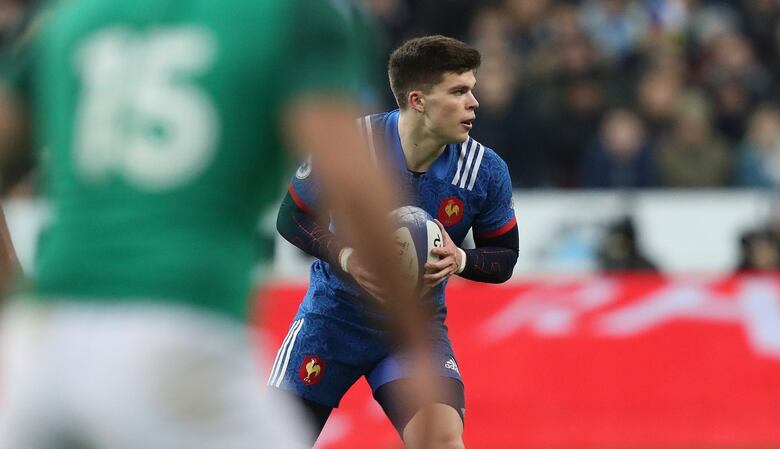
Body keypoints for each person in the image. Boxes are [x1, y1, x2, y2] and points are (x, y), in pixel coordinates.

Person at [0, 0, 432, 448]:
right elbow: (351, 184)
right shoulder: (292, 15)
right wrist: (413, 340)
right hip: (177, 334)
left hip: (42, 349)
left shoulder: (73, 14)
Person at [271, 35, 519, 449]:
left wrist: (461, 260)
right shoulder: (350, 146)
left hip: (413, 328)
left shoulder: (484, 170)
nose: (474, 102)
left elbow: (505, 257)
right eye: (458, 91)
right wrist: (347, 257)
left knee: (442, 441)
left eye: (472, 89)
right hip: (332, 321)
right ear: (419, 100)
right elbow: (290, 217)